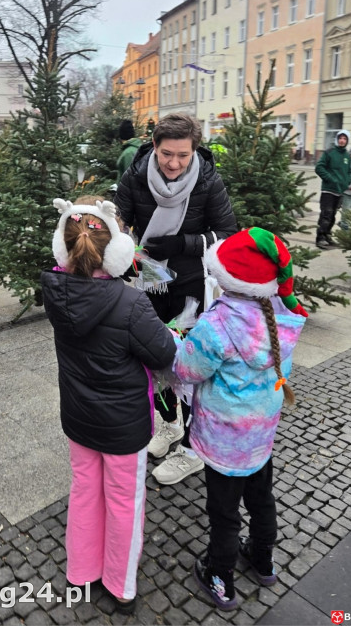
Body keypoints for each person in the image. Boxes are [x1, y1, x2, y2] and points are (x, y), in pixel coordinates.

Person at [40, 196, 176, 614]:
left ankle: (81, 572)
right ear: (117, 251)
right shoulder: (130, 303)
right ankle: (121, 585)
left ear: (63, 248)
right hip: (123, 427)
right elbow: (164, 353)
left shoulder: (56, 292)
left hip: (79, 420)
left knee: (83, 492)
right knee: (123, 501)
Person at [171, 228, 308, 610]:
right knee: (262, 499)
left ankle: (219, 575)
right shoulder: (282, 314)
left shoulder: (218, 325)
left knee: (224, 512)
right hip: (260, 437)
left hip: (223, 441)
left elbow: (186, 370)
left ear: (228, 278)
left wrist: (183, 340)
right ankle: (262, 558)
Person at [115, 112, 238, 485]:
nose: (173, 163)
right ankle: (169, 425)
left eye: (183, 155)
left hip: (189, 286)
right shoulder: (135, 177)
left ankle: (193, 449)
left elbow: (227, 233)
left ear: (194, 151)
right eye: (167, 153)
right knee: (154, 362)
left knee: (192, 367)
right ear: (154, 146)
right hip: (149, 282)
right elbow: (117, 226)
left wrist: (183, 244)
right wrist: (123, 257)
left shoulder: (207, 180)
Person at [315, 129, 351, 249]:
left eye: (345, 139)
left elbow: (349, 172)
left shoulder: (347, 156)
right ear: (337, 139)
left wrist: (346, 182)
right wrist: (330, 179)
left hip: (340, 191)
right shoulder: (329, 152)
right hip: (328, 190)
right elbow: (319, 167)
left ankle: (327, 236)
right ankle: (320, 238)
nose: (342, 140)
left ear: (347, 141)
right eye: (340, 138)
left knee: (333, 215)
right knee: (326, 214)